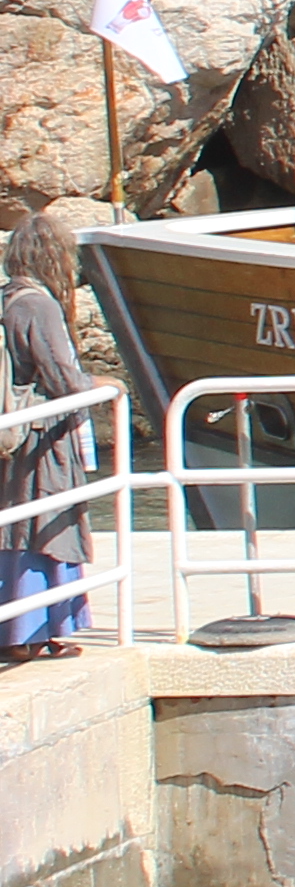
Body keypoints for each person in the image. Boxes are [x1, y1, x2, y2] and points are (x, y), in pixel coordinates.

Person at [1, 217, 95, 657]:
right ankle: (34, 632)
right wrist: (103, 383)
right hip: (43, 438)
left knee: (19, 525)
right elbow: (61, 377)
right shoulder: (38, 305)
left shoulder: (8, 298)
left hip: (16, 437)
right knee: (46, 525)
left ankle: (25, 630)